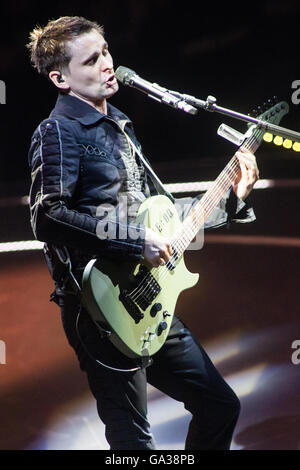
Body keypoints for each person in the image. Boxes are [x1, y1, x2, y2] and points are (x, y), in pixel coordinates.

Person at [27, 16, 259, 450]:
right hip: (99, 307)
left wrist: (233, 198)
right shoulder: (58, 131)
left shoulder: (120, 124)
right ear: (60, 78)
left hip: (149, 297)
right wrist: (135, 242)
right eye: (91, 60)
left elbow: (166, 217)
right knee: (133, 443)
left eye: (107, 51)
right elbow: (48, 216)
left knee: (219, 406)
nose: (107, 64)